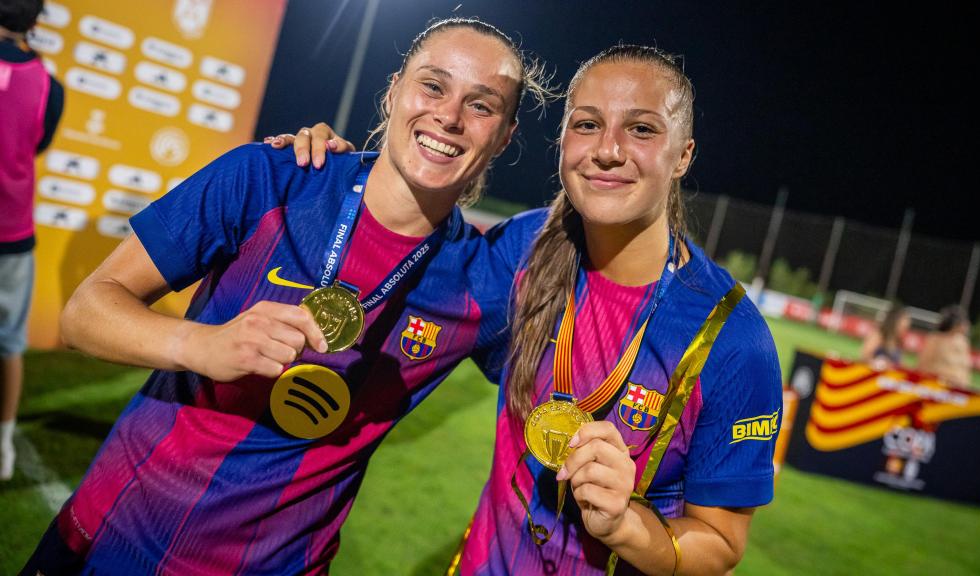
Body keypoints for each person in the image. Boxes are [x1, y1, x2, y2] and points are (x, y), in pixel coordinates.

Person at [21, 17, 550, 575]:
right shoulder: (271, 178)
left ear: (505, 135)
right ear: (394, 89)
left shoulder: (481, 283)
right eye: (433, 86)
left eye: (482, 105)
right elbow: (86, 311)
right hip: (110, 538)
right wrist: (200, 345)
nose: (449, 116)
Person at [290, 43, 781, 575]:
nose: (609, 150)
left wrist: (626, 528)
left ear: (683, 154)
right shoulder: (522, 251)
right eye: (588, 124)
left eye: (641, 129)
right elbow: (405, 260)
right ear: (563, 140)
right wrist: (339, 175)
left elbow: (721, 545)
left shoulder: (732, 340)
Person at [1, 0, 65, 481]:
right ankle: (2, 445)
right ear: (36, 18)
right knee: (9, 345)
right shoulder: (50, 86)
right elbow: (37, 144)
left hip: (14, 233)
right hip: (14, 232)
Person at [917, 305, 972, 388]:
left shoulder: (963, 342)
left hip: (957, 390)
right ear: (955, 324)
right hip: (936, 387)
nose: (967, 325)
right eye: (964, 322)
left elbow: (965, 370)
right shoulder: (935, 339)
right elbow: (923, 365)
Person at [860, 305, 910, 370]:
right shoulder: (879, 335)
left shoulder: (898, 342)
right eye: (904, 321)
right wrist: (880, 364)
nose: (907, 325)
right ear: (895, 321)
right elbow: (864, 357)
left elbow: (901, 365)